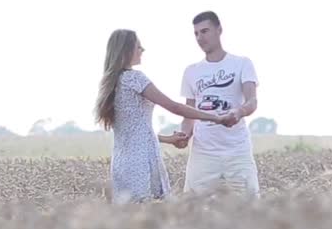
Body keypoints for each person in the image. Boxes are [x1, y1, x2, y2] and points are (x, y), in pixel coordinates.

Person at [94, 28, 238, 204]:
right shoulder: (135, 78)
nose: (142, 50)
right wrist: (216, 118)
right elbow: (174, 107)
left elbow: (133, 130)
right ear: (126, 50)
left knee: (129, 219)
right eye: (138, 46)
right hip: (141, 163)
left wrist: (169, 139)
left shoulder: (112, 83)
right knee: (150, 216)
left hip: (122, 163)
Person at [175, 11, 261, 197]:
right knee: (193, 208)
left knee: (249, 207)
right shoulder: (191, 71)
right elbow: (189, 113)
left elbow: (252, 101)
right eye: (196, 33)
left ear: (219, 30)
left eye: (205, 31)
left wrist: (238, 112)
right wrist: (184, 134)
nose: (200, 37)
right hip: (203, 153)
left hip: (237, 151)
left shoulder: (242, 64)